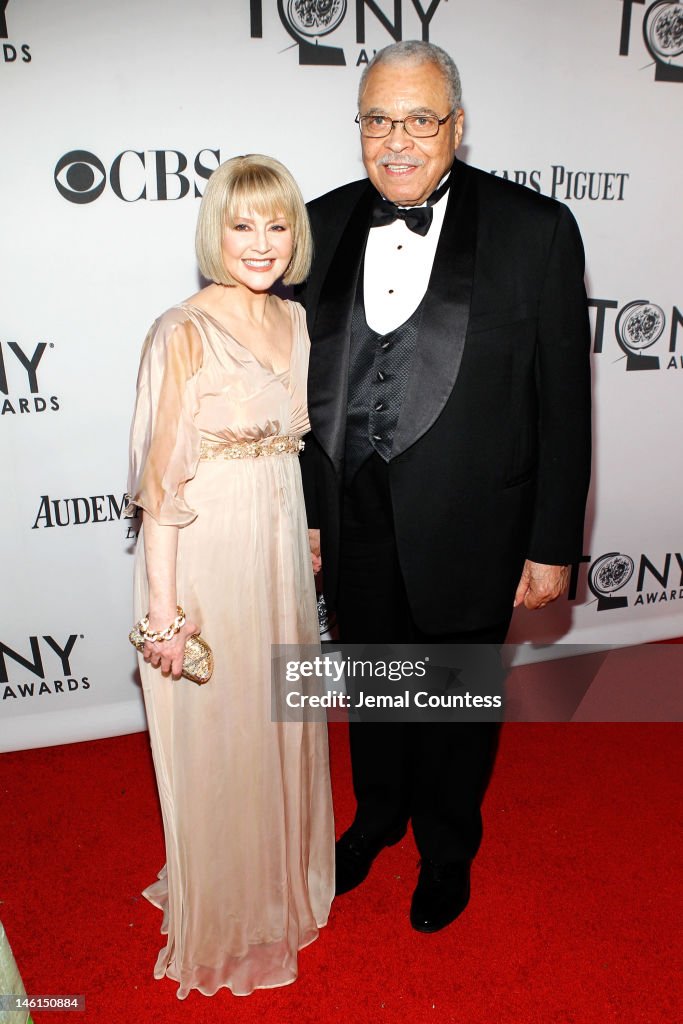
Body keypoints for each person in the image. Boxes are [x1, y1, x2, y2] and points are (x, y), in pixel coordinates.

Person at [298, 41, 591, 933]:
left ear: (456, 127)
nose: (395, 140)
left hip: (474, 521)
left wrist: (550, 544)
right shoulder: (318, 224)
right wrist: (309, 517)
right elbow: (296, 393)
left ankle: (446, 848)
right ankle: (376, 817)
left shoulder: (534, 229)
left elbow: (564, 406)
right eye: (376, 119)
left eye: (418, 119)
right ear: (358, 126)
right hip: (353, 518)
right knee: (377, 686)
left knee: (457, 701)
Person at [126, 155, 334, 997]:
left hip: (278, 556)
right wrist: (164, 615)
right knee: (221, 737)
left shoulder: (295, 320)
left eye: (277, 224)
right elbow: (160, 491)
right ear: (215, 231)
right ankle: (230, 909)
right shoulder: (181, 329)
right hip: (209, 556)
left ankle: (279, 886)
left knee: (277, 721)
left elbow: (294, 450)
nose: (261, 242)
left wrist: (307, 534)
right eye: (242, 224)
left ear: (296, 233)